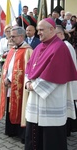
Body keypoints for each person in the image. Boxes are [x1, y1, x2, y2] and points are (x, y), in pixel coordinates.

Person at [24, 18, 77, 150]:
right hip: (35, 99)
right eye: (38, 30)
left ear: (52, 29)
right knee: (34, 137)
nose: (39, 33)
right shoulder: (38, 47)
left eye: (41, 30)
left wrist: (32, 86)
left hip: (50, 101)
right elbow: (29, 68)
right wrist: (27, 82)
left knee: (50, 141)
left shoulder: (60, 47)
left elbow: (54, 75)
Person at [0, 26, 33, 144]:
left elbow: (26, 70)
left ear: (21, 36)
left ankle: (22, 134)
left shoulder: (28, 51)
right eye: (10, 36)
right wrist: (6, 78)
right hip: (9, 85)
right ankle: (11, 130)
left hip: (20, 86)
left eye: (13, 36)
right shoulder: (12, 49)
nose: (10, 38)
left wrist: (11, 79)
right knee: (10, 106)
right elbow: (8, 66)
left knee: (21, 107)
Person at [56, 25, 77, 136]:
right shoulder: (64, 45)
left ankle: (67, 130)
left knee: (67, 107)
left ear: (60, 34)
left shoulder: (65, 46)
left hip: (67, 82)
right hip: (66, 81)